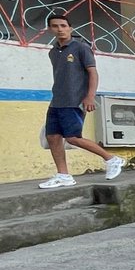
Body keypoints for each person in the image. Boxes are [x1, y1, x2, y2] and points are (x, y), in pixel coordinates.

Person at [38, 12, 125, 188]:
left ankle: (112, 159)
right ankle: (63, 175)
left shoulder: (81, 48)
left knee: (73, 138)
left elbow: (92, 72)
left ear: (70, 28)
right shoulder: (53, 52)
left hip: (74, 100)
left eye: (63, 26)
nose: (60, 29)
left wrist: (90, 96)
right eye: (55, 26)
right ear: (50, 29)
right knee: (53, 137)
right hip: (57, 101)